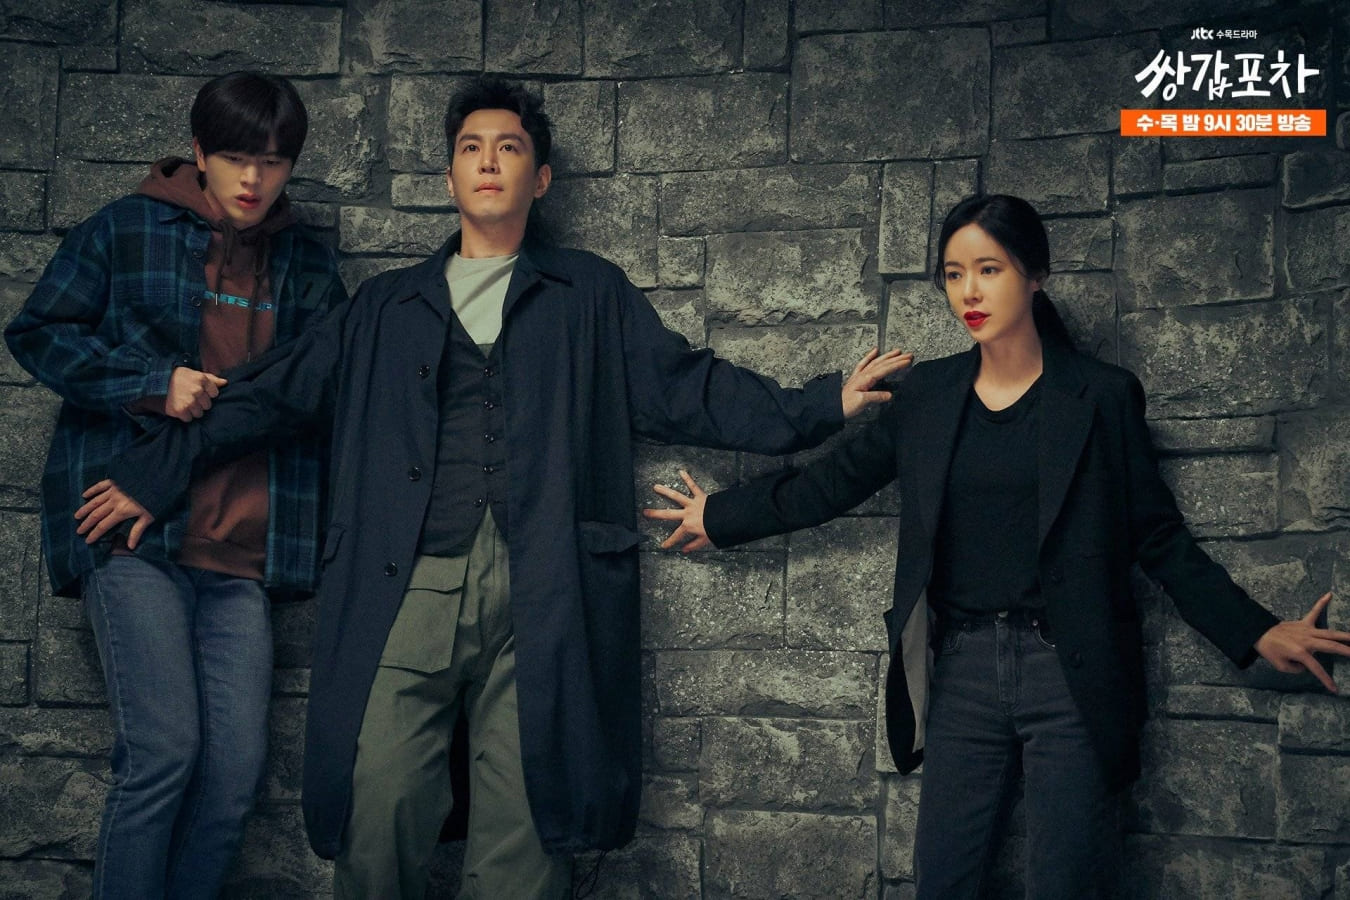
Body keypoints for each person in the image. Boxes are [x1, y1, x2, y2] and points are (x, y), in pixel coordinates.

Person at [69, 75, 911, 899]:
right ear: (449, 177)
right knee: (379, 807)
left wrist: (819, 405)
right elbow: (268, 394)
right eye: (471, 148)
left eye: (508, 148)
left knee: (526, 833)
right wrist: (153, 473)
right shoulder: (384, 306)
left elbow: (686, 386)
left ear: (538, 179)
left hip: (547, 591)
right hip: (406, 582)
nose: (488, 161)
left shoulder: (589, 292)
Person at [644, 193, 1350, 899]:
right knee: (943, 881)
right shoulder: (927, 396)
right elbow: (828, 486)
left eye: (989, 269)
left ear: (1035, 275)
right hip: (963, 672)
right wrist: (721, 516)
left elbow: (1159, 537)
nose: (970, 292)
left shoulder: (1100, 397)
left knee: (1066, 885)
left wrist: (1255, 631)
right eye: (954, 274)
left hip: (1070, 670)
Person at [4, 72, 346, 898]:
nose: (253, 180)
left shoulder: (307, 266)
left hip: (245, 556)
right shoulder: (126, 229)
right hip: (135, 538)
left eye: (273, 162)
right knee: (163, 754)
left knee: (231, 783)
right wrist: (150, 383)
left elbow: (321, 389)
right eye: (234, 157)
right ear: (198, 152)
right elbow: (37, 331)